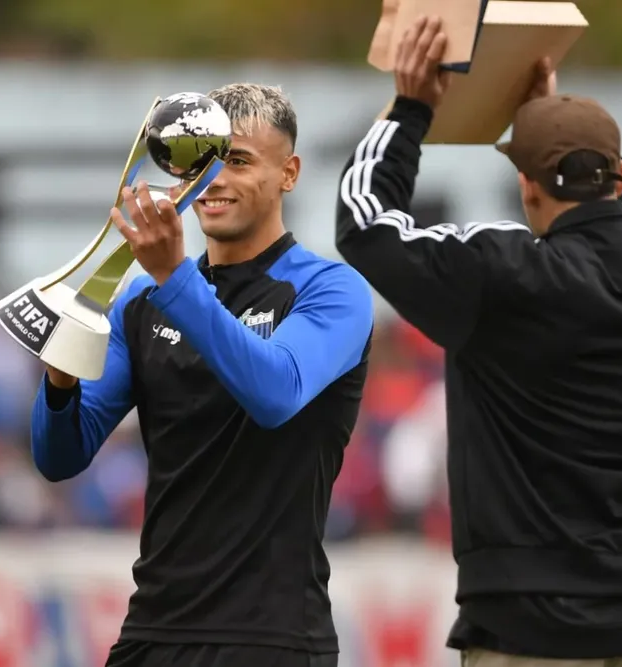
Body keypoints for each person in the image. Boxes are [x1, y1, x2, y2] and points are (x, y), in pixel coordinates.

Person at [334, 16, 622, 667]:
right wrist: (566, 129)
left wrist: (411, 105)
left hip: (527, 623)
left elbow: (364, 219)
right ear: (618, 176)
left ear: (525, 184)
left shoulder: (499, 272)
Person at [32, 83, 374, 667]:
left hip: (272, 637)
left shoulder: (330, 290)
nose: (213, 181)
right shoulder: (142, 300)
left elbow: (275, 392)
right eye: (202, 163)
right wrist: (61, 374)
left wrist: (175, 280)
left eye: (238, 161)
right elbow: (59, 456)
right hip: (153, 632)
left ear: (288, 173)